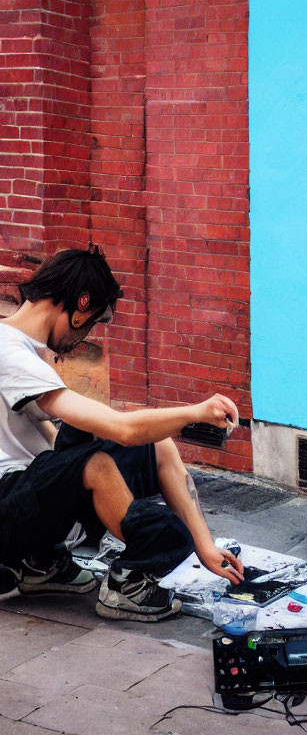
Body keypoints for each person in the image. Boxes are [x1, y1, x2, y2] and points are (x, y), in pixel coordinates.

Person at [0, 245, 244, 622]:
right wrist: (195, 412)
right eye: (93, 321)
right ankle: (125, 585)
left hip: (24, 498)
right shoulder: (8, 350)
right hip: (7, 508)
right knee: (97, 462)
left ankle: (40, 562)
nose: (86, 337)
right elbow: (122, 429)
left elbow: (63, 442)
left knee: (143, 443)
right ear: (81, 303)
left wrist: (204, 546)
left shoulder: (30, 351)